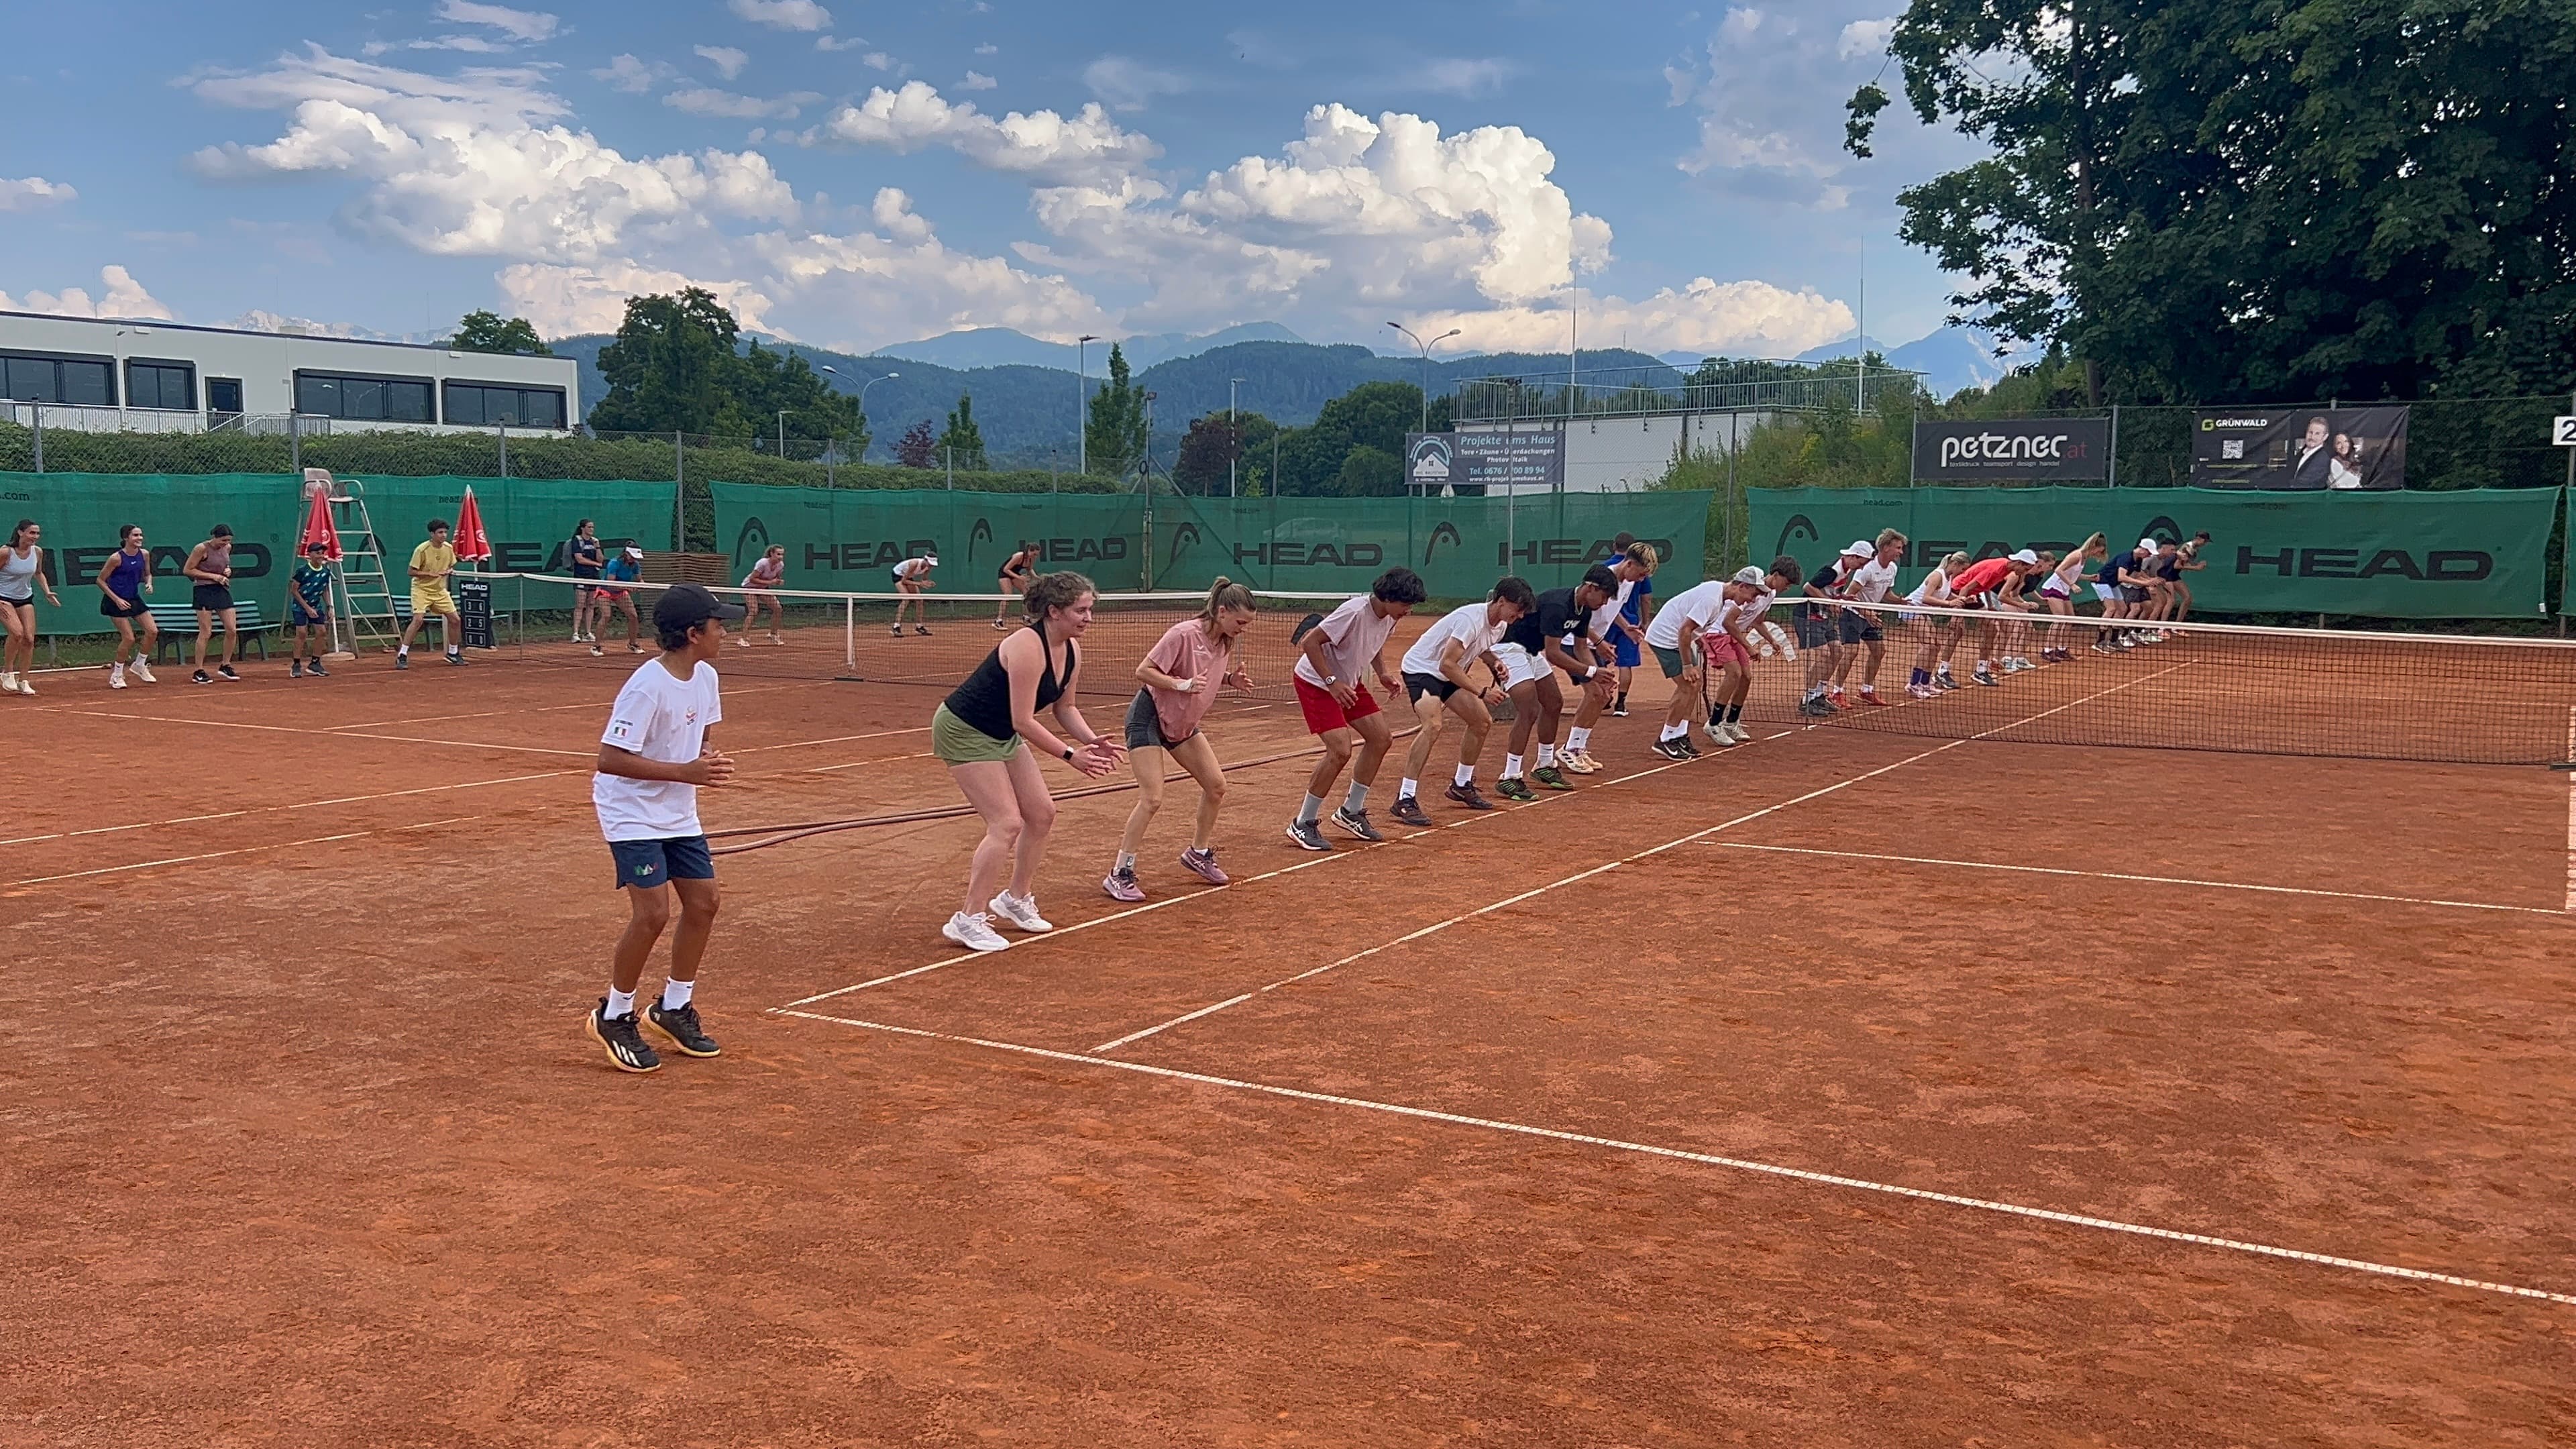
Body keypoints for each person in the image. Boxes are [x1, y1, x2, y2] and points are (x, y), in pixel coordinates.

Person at [584, 582, 745, 1074]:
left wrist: (705, 760)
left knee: (704, 902)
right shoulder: (646, 686)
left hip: (677, 811)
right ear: (694, 633)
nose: (724, 632)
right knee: (652, 913)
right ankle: (614, 1015)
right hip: (630, 812)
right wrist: (686, 772)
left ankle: (674, 1007)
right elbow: (610, 759)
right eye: (718, 624)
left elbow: (699, 738)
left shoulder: (706, 676)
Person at [931, 572, 1122, 951]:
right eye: (1080, 610)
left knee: (1042, 814)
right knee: (1006, 823)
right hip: (965, 730)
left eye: (1090, 610)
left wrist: (1090, 740)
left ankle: (1015, 899)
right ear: (1054, 611)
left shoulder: (1072, 650)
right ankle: (968, 918)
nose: (1088, 618)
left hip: (1001, 732)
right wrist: (1070, 755)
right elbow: (1023, 720)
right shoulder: (1026, 646)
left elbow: (1066, 708)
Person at [1103, 579, 1256, 902]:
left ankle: (1198, 853)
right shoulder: (1183, 634)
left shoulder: (1225, 641)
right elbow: (1144, 671)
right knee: (1152, 798)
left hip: (1182, 724)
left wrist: (1230, 679)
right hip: (1149, 716)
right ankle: (1120, 872)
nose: (1243, 629)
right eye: (1241, 622)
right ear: (1222, 611)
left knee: (1216, 786)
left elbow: (1205, 674)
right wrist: (1180, 685)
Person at [1285, 566, 1425, 851]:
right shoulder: (1354, 612)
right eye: (1406, 604)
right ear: (1388, 597)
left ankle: (1351, 811)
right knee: (1340, 750)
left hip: (1347, 681)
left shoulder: (1390, 616)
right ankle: (1303, 822)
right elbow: (1310, 642)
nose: (1408, 610)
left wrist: (1383, 673)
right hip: (1317, 682)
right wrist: (1332, 683)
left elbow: (1375, 644)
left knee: (1381, 739)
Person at [1389, 578, 1532, 824]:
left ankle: (1461, 784)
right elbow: (1446, 664)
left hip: (1449, 673)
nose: (1519, 616)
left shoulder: (1499, 625)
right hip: (1422, 671)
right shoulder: (1470, 620)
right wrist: (1482, 692)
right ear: (1501, 601)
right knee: (1433, 726)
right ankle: (1405, 797)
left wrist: (1495, 661)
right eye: (1517, 609)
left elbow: (1480, 646)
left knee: (1481, 722)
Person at [1493, 566, 1616, 800]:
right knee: (1529, 709)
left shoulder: (1583, 610)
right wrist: (1592, 671)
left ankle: (1544, 764)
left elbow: (1581, 648)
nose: (1605, 602)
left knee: (1554, 703)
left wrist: (1598, 677)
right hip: (1508, 648)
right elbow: (1553, 653)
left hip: (1530, 651)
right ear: (1591, 588)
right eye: (1604, 596)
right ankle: (1510, 776)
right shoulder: (1558, 605)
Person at [1562, 541, 1658, 773]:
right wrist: (1599, 642)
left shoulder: (1629, 583)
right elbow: (1579, 617)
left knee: (1603, 694)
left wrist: (1626, 628)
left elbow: (1613, 612)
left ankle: (1578, 747)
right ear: (1630, 564)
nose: (1642, 579)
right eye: (1641, 574)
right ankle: (1570, 749)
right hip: (1574, 641)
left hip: (1592, 643)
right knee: (1596, 692)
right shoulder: (1603, 580)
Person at [1644, 568, 1757, 759]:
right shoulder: (1711, 598)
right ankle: (1666, 739)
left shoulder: (1719, 596)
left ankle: (1680, 735)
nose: (1752, 600)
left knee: (1696, 684)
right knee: (1687, 686)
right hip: (1665, 638)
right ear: (1742, 586)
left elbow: (1692, 624)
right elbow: (1685, 629)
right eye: (1752, 595)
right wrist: (1687, 665)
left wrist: (1700, 639)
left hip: (1680, 639)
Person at [1827, 530, 1907, 706]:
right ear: (1886, 548)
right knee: (1851, 652)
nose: (1901, 552)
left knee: (1879, 651)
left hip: (1871, 616)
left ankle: (1867, 690)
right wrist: (1867, 613)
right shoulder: (1867, 569)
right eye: (1898, 548)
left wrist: (1899, 601)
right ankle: (1837, 693)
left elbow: (1886, 594)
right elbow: (1850, 595)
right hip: (1852, 614)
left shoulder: (1892, 569)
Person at [1944, 550, 2041, 685]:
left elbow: (1986, 586)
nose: (2026, 572)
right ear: (2019, 563)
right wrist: (1957, 614)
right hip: (1958, 592)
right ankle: (1943, 671)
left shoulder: (2005, 569)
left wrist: (1989, 606)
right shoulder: (1996, 569)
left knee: (1992, 629)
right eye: (2026, 569)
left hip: (1974, 595)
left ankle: (1981, 671)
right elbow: (1965, 589)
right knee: (1957, 631)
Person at [1792, 543, 1866, 716]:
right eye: (1861, 562)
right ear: (1853, 557)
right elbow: (1808, 587)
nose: (1862, 567)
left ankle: (1818, 695)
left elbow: (1829, 591)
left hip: (1823, 616)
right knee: (1824, 655)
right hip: (1808, 616)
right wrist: (1829, 602)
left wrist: (1842, 597)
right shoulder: (1832, 570)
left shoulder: (1846, 570)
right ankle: (1807, 701)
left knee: (1838, 651)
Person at [93, 524, 160, 690]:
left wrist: (149, 583)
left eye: (141, 535)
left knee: (152, 631)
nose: (140, 538)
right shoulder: (116, 558)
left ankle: (139, 665)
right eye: (135, 535)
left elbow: (147, 574)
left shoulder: (144, 554)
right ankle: (116, 675)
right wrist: (117, 600)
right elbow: (100, 581)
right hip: (115, 601)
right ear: (126, 538)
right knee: (129, 638)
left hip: (134, 598)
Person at [0, 520, 61, 697]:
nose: (35, 537)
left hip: (25, 598)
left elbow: (38, 573)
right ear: (20, 533)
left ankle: (24, 681)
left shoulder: (37, 552)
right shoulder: (5, 552)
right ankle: (7, 672)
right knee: (17, 633)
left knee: (28, 639)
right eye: (31, 533)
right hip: (3, 597)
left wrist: (47, 592)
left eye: (37, 533)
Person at [394, 519, 466, 670]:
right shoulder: (422, 550)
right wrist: (430, 574)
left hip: (440, 591)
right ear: (432, 534)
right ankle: (402, 654)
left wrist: (448, 571)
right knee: (418, 620)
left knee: (455, 620)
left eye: (445, 532)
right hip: (421, 590)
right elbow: (411, 572)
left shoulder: (448, 548)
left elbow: (451, 565)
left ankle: (453, 653)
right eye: (440, 533)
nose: (443, 535)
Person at [1904, 549, 1970, 696]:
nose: (1963, 572)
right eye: (1962, 569)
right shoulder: (1937, 576)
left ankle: (1925, 683)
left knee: (1936, 646)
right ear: (1955, 564)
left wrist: (1962, 599)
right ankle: (1914, 684)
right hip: (1911, 609)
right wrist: (1950, 604)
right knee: (1928, 645)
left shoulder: (1949, 577)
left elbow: (1946, 595)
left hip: (1922, 611)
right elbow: (1926, 598)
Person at [2033, 534, 2105, 662]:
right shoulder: (2076, 555)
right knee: (2059, 620)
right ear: (2093, 546)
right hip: (2053, 588)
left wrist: (2089, 577)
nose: (2097, 554)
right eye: (2098, 551)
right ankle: (2048, 650)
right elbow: (2059, 570)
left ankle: (2061, 649)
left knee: (2070, 619)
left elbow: (2073, 574)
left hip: (2063, 590)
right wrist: (2072, 585)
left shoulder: (2084, 558)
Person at [286, 541, 335, 680]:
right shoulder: (302, 571)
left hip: (316, 606)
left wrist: (329, 607)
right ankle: (296, 665)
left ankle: (315, 663)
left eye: (322, 553)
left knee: (322, 632)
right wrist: (307, 608)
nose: (321, 556)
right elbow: (294, 590)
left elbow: (325, 590)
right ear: (310, 555)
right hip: (300, 607)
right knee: (302, 633)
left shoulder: (326, 572)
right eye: (317, 553)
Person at [593, 545, 645, 656]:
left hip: (620, 593)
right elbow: (611, 584)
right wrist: (628, 588)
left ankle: (633, 644)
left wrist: (641, 585)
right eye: (632, 556)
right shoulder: (614, 563)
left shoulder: (635, 565)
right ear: (626, 554)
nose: (634, 559)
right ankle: (596, 646)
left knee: (633, 616)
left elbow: (640, 579)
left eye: (636, 557)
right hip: (605, 590)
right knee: (606, 615)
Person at [739, 545, 788, 647]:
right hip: (749, 587)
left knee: (778, 608)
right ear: (771, 554)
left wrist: (778, 581)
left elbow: (776, 577)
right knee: (754, 611)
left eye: (782, 555)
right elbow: (752, 579)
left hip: (763, 588)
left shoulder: (780, 565)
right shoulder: (762, 563)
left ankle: (773, 634)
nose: (781, 557)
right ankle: (744, 638)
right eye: (778, 554)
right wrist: (770, 582)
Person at [567, 519, 604, 644]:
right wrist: (596, 564)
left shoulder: (595, 541)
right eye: (589, 527)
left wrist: (597, 546)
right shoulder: (577, 540)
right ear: (583, 528)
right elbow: (579, 559)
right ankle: (575, 633)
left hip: (594, 577)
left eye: (593, 527)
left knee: (591, 604)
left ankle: (588, 633)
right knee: (580, 604)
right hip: (581, 576)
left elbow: (601, 559)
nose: (591, 529)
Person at [994, 541, 1039, 629]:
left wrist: (1037, 578)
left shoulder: (1031, 559)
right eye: (1034, 554)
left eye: (1037, 555)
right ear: (1029, 551)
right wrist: (1020, 577)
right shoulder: (1018, 556)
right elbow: (1006, 569)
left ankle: (1026, 617)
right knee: (1008, 595)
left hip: (1015, 574)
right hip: (1004, 574)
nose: (1035, 556)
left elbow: (1030, 569)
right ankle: (998, 621)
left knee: (1027, 593)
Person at [891, 552, 938, 636]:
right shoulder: (914, 564)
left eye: (932, 565)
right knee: (906, 599)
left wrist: (928, 583)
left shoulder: (928, 568)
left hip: (908, 577)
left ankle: (919, 626)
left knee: (920, 600)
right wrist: (920, 584)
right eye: (930, 564)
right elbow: (904, 581)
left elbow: (924, 580)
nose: (931, 566)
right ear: (925, 560)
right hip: (898, 576)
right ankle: (896, 627)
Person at [2171, 531, 2210, 621]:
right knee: (2175, 600)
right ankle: (2173, 624)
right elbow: (2176, 566)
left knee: (2185, 599)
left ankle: (2177, 624)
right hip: (2169, 574)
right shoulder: (2187, 548)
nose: (2205, 544)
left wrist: (2197, 565)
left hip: (2173, 574)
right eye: (2205, 541)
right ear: (2198, 539)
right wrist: (2196, 568)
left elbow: (2186, 563)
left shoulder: (2192, 549)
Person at [2291, 415, 2334, 489]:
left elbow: (2304, 483)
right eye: (2310, 432)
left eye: (2317, 434)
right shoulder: (2302, 452)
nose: (2312, 437)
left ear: (2325, 437)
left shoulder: (2322, 459)